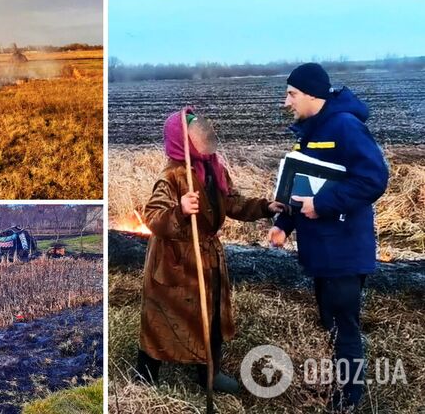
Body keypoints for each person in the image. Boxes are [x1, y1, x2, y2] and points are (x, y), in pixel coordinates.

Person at [136, 107, 286, 393]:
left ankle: (209, 373)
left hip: (206, 257)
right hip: (174, 261)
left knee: (211, 315)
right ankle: (145, 377)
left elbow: (232, 202)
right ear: (183, 139)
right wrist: (179, 211)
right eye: (194, 132)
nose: (203, 136)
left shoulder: (214, 169)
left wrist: (264, 207)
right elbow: (153, 216)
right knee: (162, 319)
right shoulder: (172, 175)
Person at [268, 63, 389, 411]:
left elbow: (373, 179)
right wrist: (283, 224)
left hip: (345, 249)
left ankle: (348, 402)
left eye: (291, 94)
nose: (286, 101)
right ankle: (340, 387)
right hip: (322, 249)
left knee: (343, 326)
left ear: (311, 95)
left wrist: (321, 205)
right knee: (330, 321)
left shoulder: (346, 127)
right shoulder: (310, 130)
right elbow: (304, 185)